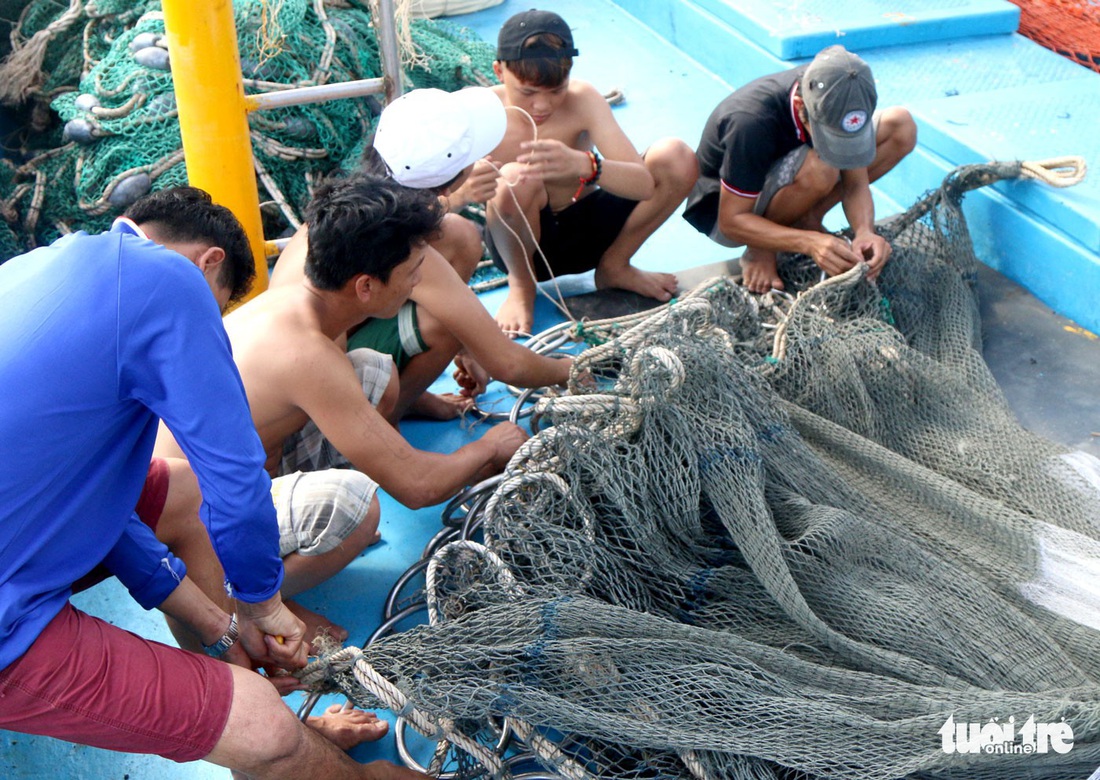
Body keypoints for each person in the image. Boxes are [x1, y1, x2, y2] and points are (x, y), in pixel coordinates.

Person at [0, 193, 423, 779]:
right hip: (8, 619)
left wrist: (223, 629)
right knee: (265, 727)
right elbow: (236, 477)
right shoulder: (169, 280)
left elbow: (98, 505)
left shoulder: (33, 267)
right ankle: (276, 745)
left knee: (179, 490)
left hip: (20, 536)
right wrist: (263, 603)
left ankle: (241, 717)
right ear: (207, 264)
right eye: (218, 308)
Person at [155, 175, 529, 617]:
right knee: (355, 506)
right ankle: (240, 605)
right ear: (366, 287)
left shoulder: (294, 303)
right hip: (194, 521)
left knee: (375, 372)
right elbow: (418, 486)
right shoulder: (307, 355)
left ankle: (279, 553)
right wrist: (490, 446)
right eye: (411, 273)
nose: (416, 284)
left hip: (231, 474)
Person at [270, 86, 574, 422]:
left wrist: (469, 346)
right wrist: (570, 369)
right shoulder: (404, 245)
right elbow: (508, 364)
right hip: (314, 400)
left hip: (295, 364)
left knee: (459, 235)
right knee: (447, 324)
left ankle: (406, 398)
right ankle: (384, 421)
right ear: (451, 181)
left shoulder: (357, 204)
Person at [484, 8, 699, 336]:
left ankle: (615, 265)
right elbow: (437, 204)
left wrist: (586, 165)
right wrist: (468, 187)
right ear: (500, 71)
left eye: (556, 91)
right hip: (523, 248)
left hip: (589, 234)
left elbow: (643, 185)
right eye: (527, 92)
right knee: (515, 178)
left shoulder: (583, 99)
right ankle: (521, 287)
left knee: (677, 156)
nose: (542, 106)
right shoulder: (480, 112)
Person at [683, 44, 918, 294]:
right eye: (827, 135)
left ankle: (807, 218)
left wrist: (864, 231)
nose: (838, 148)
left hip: (783, 176)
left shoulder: (839, 84)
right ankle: (761, 248)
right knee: (822, 167)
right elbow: (730, 222)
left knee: (900, 126)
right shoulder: (749, 123)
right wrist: (809, 243)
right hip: (725, 209)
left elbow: (855, 182)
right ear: (799, 106)